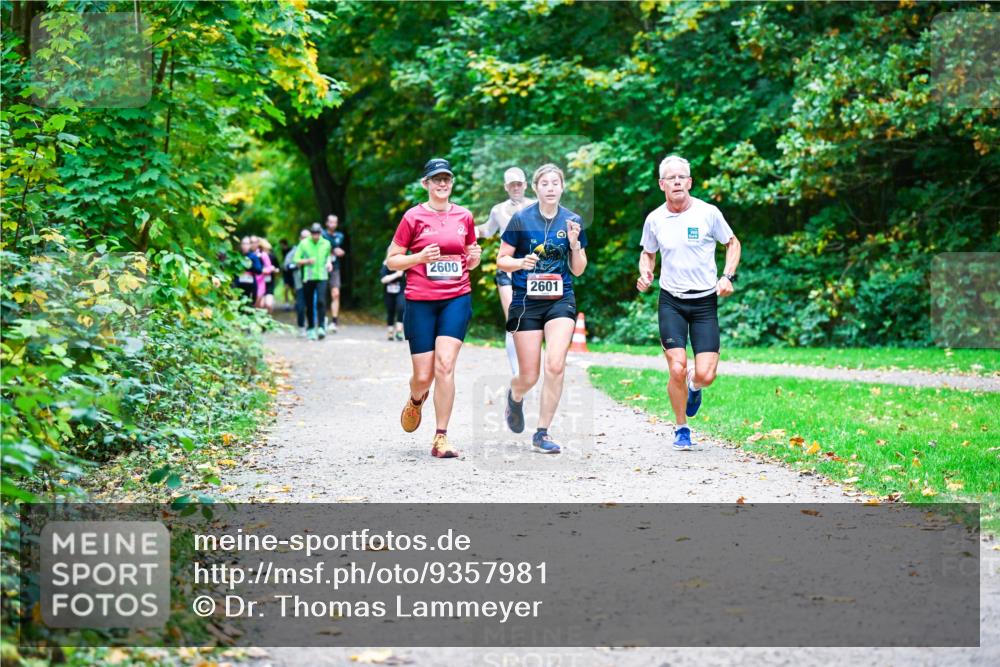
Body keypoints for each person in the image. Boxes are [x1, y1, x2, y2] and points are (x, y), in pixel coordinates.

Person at [636, 154, 741, 451]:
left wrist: (728, 276)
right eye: (671, 177)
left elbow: (732, 243)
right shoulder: (655, 219)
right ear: (662, 184)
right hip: (672, 302)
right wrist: (645, 271)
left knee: (706, 374)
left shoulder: (708, 213)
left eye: (682, 176)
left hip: (705, 303)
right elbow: (648, 252)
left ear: (690, 182)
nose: (678, 181)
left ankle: (695, 387)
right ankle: (681, 427)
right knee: (677, 368)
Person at [385, 158, 481, 459]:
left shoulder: (464, 217)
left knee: (445, 366)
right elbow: (392, 260)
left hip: (456, 297)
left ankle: (441, 437)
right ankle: (416, 399)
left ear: (451, 183)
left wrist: (475, 258)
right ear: (426, 184)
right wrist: (419, 258)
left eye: (447, 179)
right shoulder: (412, 217)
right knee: (424, 376)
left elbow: (469, 258)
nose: (442, 184)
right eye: (436, 179)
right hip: (420, 301)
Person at [497, 163, 587, 455]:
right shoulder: (521, 219)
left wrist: (574, 245)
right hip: (526, 301)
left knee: (556, 364)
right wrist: (520, 263)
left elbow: (579, 270)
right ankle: (515, 396)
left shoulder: (572, 220)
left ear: (562, 187)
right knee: (529, 374)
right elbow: (501, 260)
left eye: (555, 183)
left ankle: (542, 432)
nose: (550, 188)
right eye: (544, 183)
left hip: (561, 299)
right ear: (536, 188)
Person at [476, 167, 535, 375]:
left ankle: (531, 370)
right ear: (506, 187)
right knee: (513, 319)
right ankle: (516, 374)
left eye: (519, 183)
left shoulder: (537, 206)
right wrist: (464, 229)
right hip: (508, 271)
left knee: (533, 320)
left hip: (533, 271)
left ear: (526, 185)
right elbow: (487, 230)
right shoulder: (498, 210)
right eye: (512, 184)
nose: (516, 187)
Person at [293, 223, 333, 341]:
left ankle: (321, 327)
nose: (316, 236)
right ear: (311, 233)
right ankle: (310, 328)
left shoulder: (326, 243)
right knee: (309, 304)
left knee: (321, 301)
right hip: (308, 277)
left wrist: (329, 262)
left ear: (321, 233)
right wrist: (306, 261)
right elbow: (296, 259)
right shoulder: (304, 243)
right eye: (314, 233)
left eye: (318, 233)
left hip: (322, 276)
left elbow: (328, 256)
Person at [323, 214, 347, 332]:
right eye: (331, 222)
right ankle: (321, 319)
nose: (333, 224)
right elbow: (325, 247)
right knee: (322, 294)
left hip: (335, 267)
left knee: (335, 293)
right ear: (327, 223)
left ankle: (334, 321)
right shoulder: (322, 234)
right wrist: (334, 250)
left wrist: (341, 252)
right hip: (321, 267)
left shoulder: (340, 236)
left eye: (335, 222)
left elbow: (340, 249)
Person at [285, 230, 310, 336]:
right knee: (300, 306)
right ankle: (301, 326)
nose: (305, 239)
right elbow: (286, 266)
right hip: (299, 283)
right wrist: (297, 265)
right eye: (303, 237)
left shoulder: (313, 249)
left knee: (313, 305)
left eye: (307, 237)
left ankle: (312, 327)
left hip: (312, 282)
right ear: (300, 238)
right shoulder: (294, 251)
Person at [380, 253, 406, 341]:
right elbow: (383, 279)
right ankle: (390, 332)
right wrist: (396, 275)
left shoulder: (404, 263)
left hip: (400, 290)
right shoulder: (386, 264)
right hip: (389, 291)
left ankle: (399, 331)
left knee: (401, 307)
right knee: (390, 310)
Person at [235, 236, 261, 305]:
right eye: (243, 243)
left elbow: (259, 270)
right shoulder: (237, 256)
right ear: (241, 245)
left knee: (249, 306)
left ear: (250, 245)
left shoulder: (253, 257)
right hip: (239, 286)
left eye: (247, 244)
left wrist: (249, 265)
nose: (245, 246)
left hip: (251, 286)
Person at [257, 238, 280, 314]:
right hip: (259, 283)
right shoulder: (257, 257)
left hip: (269, 282)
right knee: (261, 305)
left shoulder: (272, 256)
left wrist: (274, 270)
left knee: (268, 304)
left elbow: (278, 268)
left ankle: (269, 318)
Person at [279, 238, 295, 308]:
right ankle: (286, 302)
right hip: (286, 272)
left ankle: (295, 301)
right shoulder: (282, 251)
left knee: (293, 289)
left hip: (291, 272)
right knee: (286, 288)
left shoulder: (291, 250)